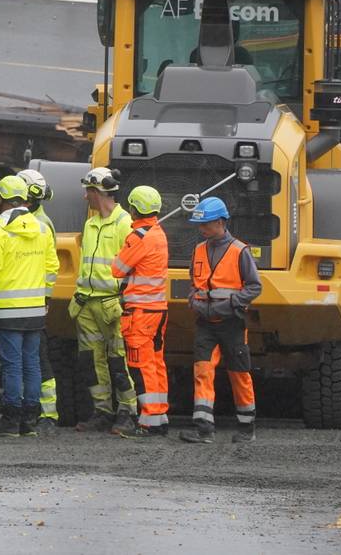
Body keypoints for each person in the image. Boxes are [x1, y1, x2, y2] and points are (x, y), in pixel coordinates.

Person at [0, 175, 59, 438]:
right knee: (31, 364)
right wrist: (44, 298)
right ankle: (29, 421)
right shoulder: (43, 229)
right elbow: (52, 268)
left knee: (12, 366)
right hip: (35, 311)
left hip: (8, 312)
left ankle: (10, 421)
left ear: (0, 199)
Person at [180, 197, 262, 444]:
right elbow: (195, 283)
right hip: (205, 323)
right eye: (200, 225)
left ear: (220, 222)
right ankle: (204, 429)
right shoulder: (199, 250)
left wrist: (231, 304)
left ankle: (247, 428)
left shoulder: (240, 251)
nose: (201, 229)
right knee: (202, 371)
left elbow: (254, 286)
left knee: (239, 373)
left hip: (232, 323)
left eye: (205, 224)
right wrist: (194, 300)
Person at [69, 167, 138, 435]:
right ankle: (102, 410)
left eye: (88, 191)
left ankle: (127, 412)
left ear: (98, 192)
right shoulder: (91, 224)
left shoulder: (125, 224)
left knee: (119, 360)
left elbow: (132, 268)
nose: (85, 197)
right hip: (87, 304)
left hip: (113, 304)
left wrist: (126, 301)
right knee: (91, 361)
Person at [110, 186, 170, 439]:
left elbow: (117, 268)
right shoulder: (159, 233)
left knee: (140, 366)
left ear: (134, 208)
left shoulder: (139, 236)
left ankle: (148, 422)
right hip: (157, 311)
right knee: (156, 365)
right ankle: (159, 416)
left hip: (140, 314)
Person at [17, 168, 59, 432]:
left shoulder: (39, 226)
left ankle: (47, 414)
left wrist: (42, 299)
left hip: (31, 304)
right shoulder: (36, 222)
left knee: (37, 360)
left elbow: (48, 269)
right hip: (31, 302)